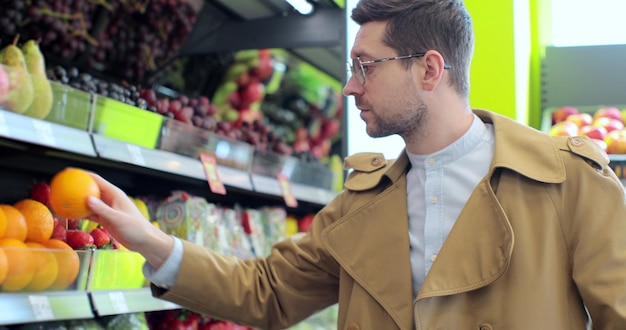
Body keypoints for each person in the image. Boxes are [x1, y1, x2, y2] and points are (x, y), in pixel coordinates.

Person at [86, 0, 626, 329]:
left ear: (430, 70)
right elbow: (269, 291)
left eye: (365, 67)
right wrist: (147, 238)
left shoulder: (569, 182)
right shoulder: (362, 204)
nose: (350, 86)